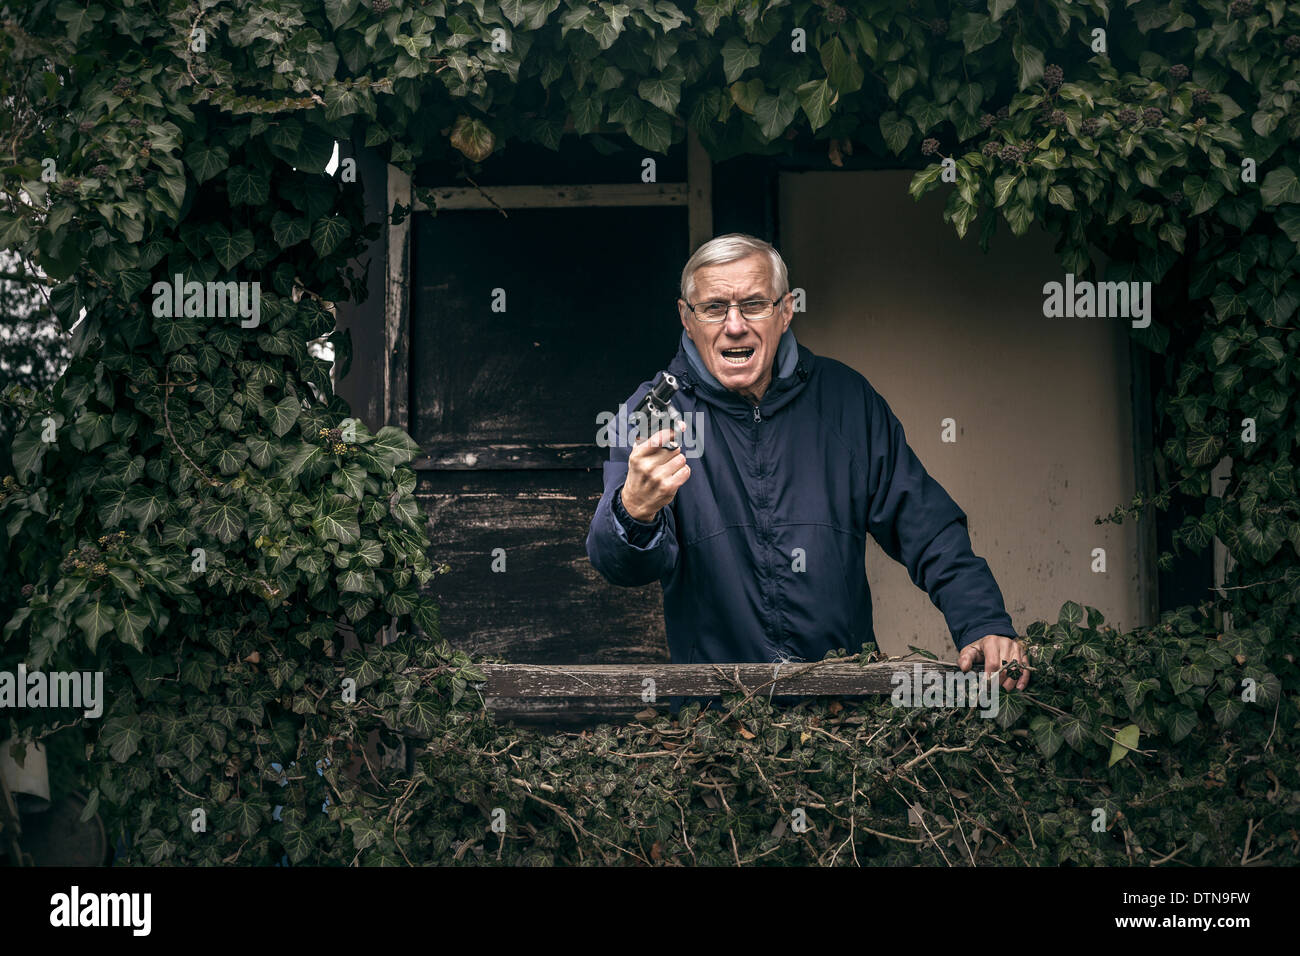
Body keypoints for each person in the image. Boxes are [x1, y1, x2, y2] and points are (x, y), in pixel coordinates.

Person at [586, 233, 1030, 693]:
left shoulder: (845, 400)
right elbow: (618, 567)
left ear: (786, 310)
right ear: (687, 317)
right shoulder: (655, 413)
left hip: (844, 711)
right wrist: (634, 510)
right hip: (717, 716)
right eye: (715, 307)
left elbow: (925, 524)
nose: (734, 325)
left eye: (754, 304)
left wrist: (981, 621)